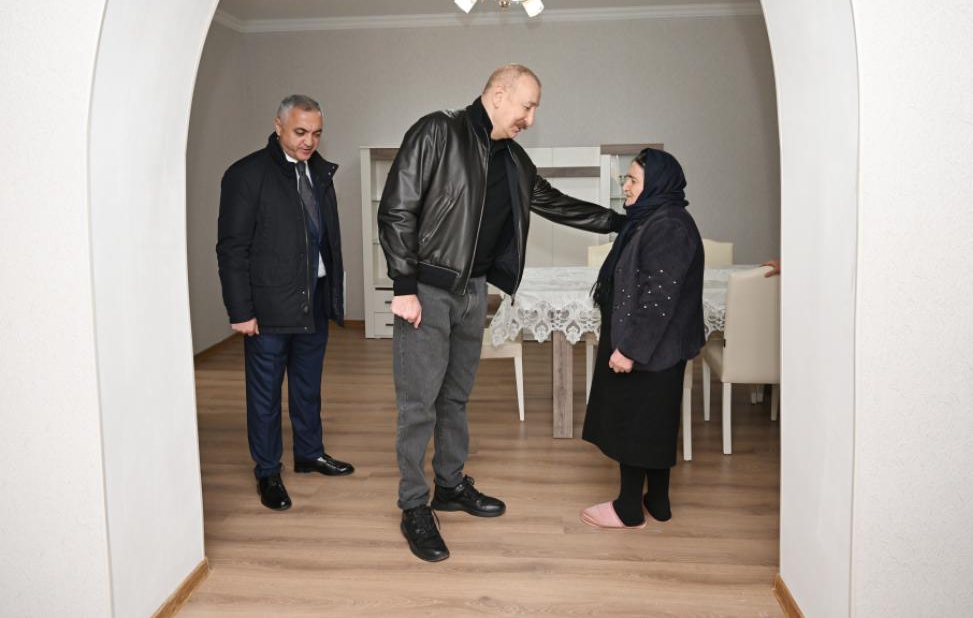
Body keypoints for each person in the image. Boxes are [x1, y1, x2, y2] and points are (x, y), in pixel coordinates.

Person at [378, 64, 625, 562]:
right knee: (418, 404)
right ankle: (413, 505)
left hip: (473, 292)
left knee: (455, 397)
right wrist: (403, 286)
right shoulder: (438, 131)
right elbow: (396, 208)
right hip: (426, 290)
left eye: (535, 110)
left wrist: (623, 222)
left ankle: (449, 486)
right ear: (498, 95)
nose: (530, 119)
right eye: (527, 106)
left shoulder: (513, 159)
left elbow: (555, 203)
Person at [217, 94, 354, 511]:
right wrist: (241, 311)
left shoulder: (319, 172)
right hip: (268, 306)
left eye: (316, 133)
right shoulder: (246, 175)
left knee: (308, 386)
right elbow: (232, 248)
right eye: (300, 132)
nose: (309, 141)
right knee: (264, 396)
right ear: (278, 126)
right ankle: (267, 471)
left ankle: (309, 453)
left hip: (313, 299)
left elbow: (325, 240)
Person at [580, 148, 705, 529]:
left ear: (656, 184)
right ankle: (658, 501)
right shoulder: (656, 218)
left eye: (633, 180)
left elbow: (657, 299)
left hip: (652, 346)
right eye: (626, 179)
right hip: (660, 346)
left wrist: (629, 349)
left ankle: (629, 508)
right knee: (655, 423)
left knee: (635, 424)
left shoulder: (668, 226)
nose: (626, 187)